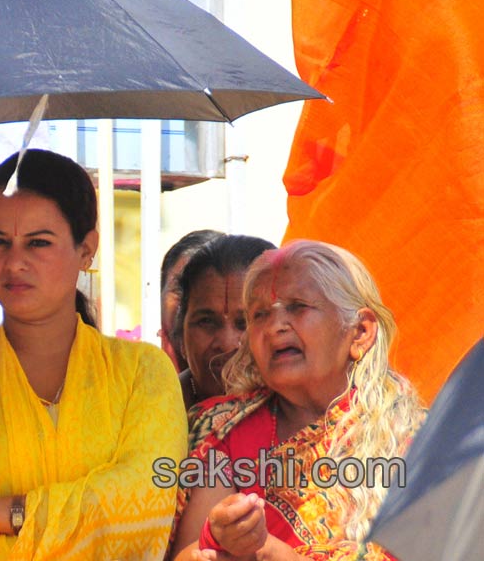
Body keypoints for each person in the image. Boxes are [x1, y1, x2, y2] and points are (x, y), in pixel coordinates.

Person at [0, 150, 187, 560]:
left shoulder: (142, 371)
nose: (14, 262)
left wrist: (9, 515)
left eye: (38, 243)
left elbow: (145, 505)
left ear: (86, 249)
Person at [169, 240, 425, 561]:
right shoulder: (223, 428)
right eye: (260, 314)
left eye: (298, 306)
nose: (275, 327)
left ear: (359, 332)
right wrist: (218, 538)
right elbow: (189, 554)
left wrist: (278, 555)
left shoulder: (414, 440)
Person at [174, 235, 276, 409]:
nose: (227, 344)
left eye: (245, 322)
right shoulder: (154, 407)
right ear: (181, 337)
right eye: (206, 321)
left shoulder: (317, 417)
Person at [160, 230, 224, 373]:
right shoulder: (132, 367)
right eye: (180, 289)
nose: (189, 305)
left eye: (209, 293)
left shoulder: (255, 374)